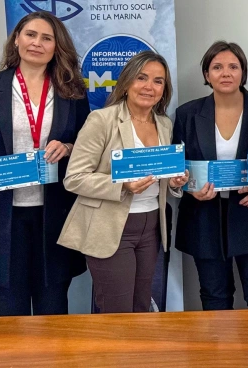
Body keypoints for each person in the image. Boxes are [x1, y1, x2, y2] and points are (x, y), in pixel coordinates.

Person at [0, 11, 89, 316]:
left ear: (57, 47)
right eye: (30, 35)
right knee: (7, 316)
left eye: (47, 38)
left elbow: (87, 144)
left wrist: (67, 147)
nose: (37, 43)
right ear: (16, 40)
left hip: (54, 214)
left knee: (53, 312)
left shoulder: (72, 91)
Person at [58, 51, 189, 313]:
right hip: (111, 225)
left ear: (164, 90)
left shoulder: (164, 124)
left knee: (142, 306)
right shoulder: (101, 120)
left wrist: (176, 181)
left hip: (151, 225)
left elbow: (161, 176)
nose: (149, 86)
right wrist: (122, 186)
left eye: (158, 81)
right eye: (142, 78)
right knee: (116, 310)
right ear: (127, 82)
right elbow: (74, 178)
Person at [172, 41, 248, 310]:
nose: (226, 73)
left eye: (233, 66)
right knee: (214, 297)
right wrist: (188, 187)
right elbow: (176, 168)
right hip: (204, 216)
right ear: (207, 75)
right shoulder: (187, 113)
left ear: (243, 72)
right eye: (217, 67)